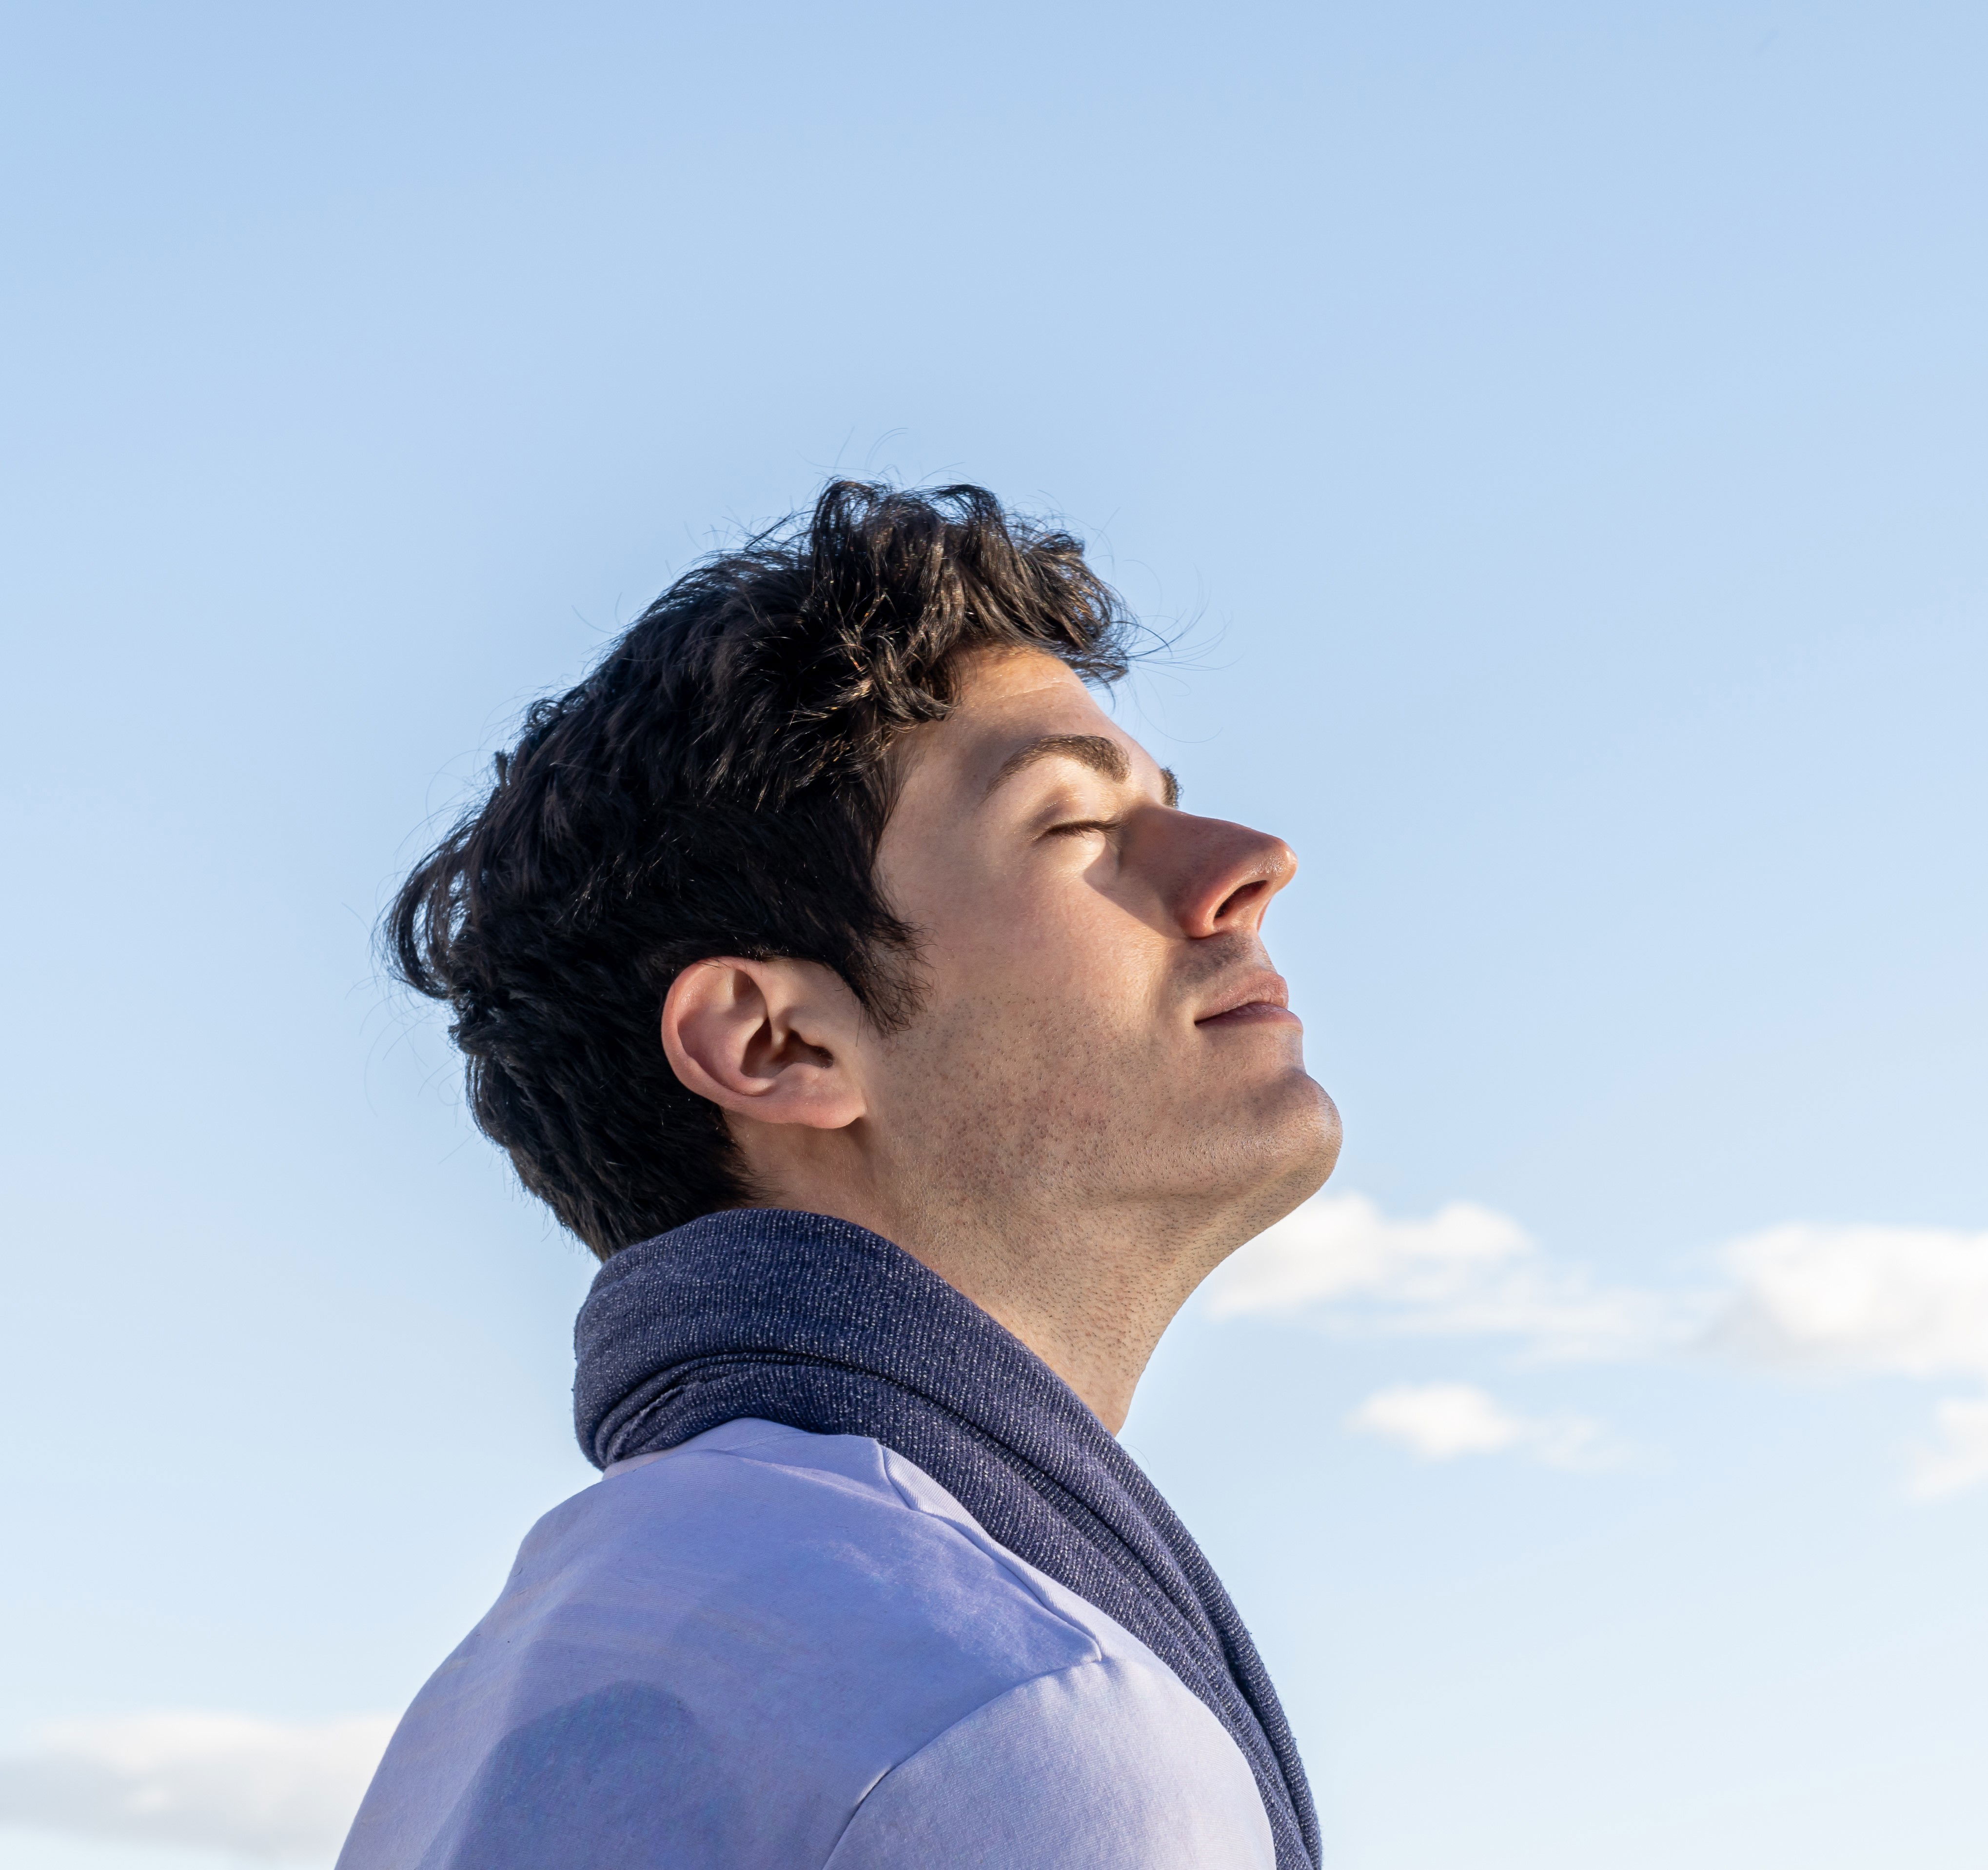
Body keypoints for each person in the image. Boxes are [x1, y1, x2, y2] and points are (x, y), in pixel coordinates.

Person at [339, 481, 1341, 1870]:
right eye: (1072, 827)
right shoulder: (1010, 1724)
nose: (1253, 863)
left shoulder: (518, 1694)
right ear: (779, 1040)